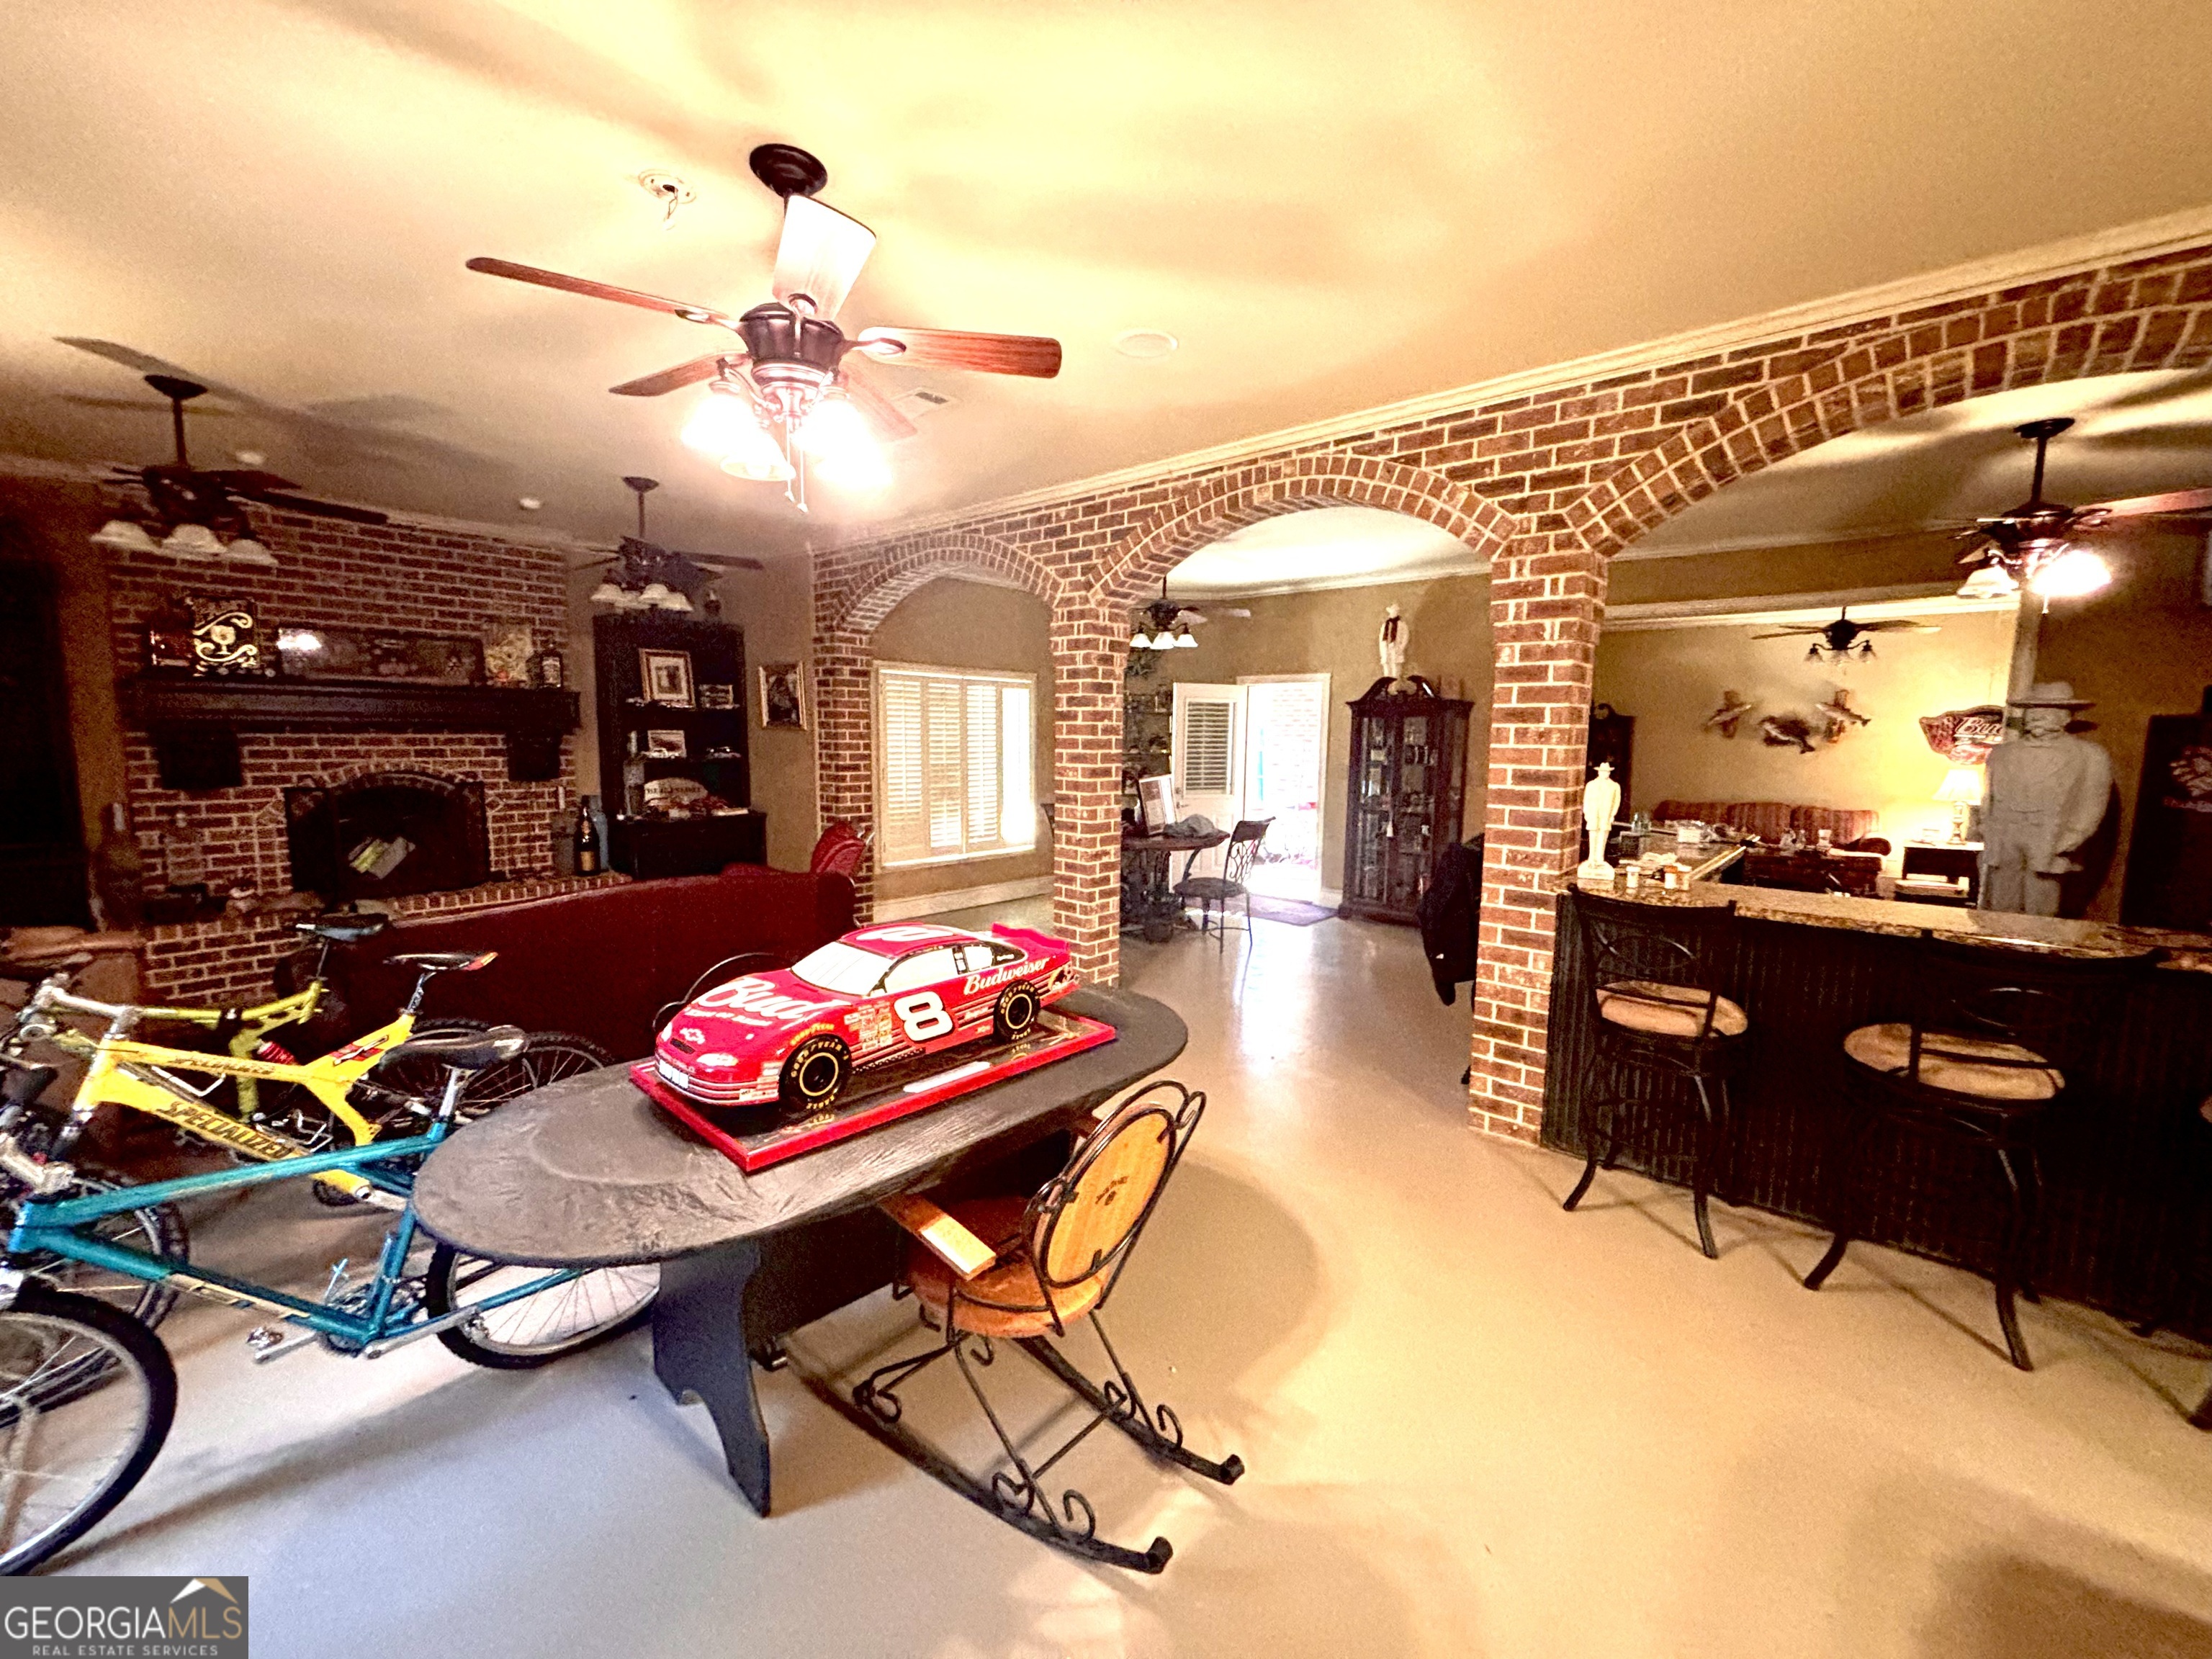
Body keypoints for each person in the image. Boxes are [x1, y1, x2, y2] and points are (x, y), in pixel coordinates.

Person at [1977, 680, 2113, 917]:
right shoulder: (2001, 754)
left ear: (2067, 717)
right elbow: (1989, 796)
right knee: (1999, 904)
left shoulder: (2090, 756)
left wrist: (2072, 838)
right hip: (2005, 834)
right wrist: (1987, 829)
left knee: (2041, 907)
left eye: (2049, 711)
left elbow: (2094, 803)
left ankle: (2036, 948)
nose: (2038, 717)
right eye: (2034, 711)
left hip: (2050, 836)